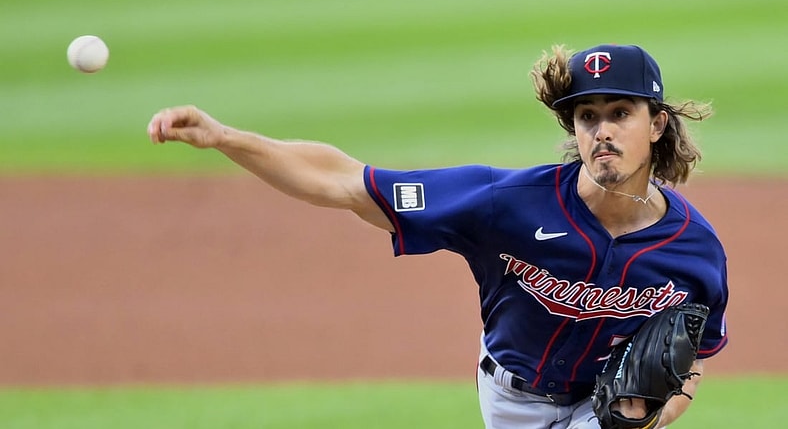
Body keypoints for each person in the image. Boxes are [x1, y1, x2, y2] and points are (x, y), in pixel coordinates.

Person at [146, 43, 729, 429]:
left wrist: (652, 414)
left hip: (602, 411)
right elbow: (346, 182)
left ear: (656, 125)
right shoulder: (507, 203)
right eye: (586, 116)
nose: (602, 131)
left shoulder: (695, 251)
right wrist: (225, 137)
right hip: (512, 401)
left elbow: (693, 359)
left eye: (620, 112)